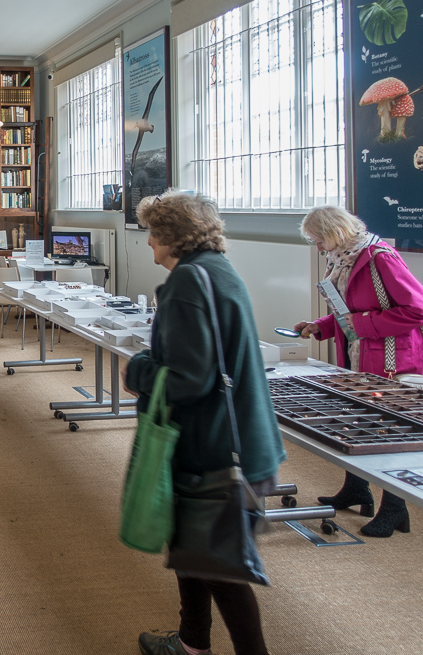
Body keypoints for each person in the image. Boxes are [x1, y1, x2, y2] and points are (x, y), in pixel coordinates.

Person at [121, 191, 285, 655]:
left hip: (214, 449)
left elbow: (191, 379)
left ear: (171, 236)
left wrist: (137, 371)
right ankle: (193, 643)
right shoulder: (217, 270)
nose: (148, 244)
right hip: (236, 439)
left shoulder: (188, 282)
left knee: (221, 568)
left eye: (152, 233)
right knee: (192, 549)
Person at [292, 205, 423, 537]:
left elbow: (416, 309)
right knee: (356, 422)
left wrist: (364, 324)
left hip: (391, 357)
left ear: (335, 232)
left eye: (318, 239)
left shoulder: (381, 257)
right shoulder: (343, 259)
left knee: (387, 431)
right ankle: (356, 490)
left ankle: (394, 509)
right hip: (360, 352)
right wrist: (318, 326)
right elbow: (349, 311)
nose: (318, 247)